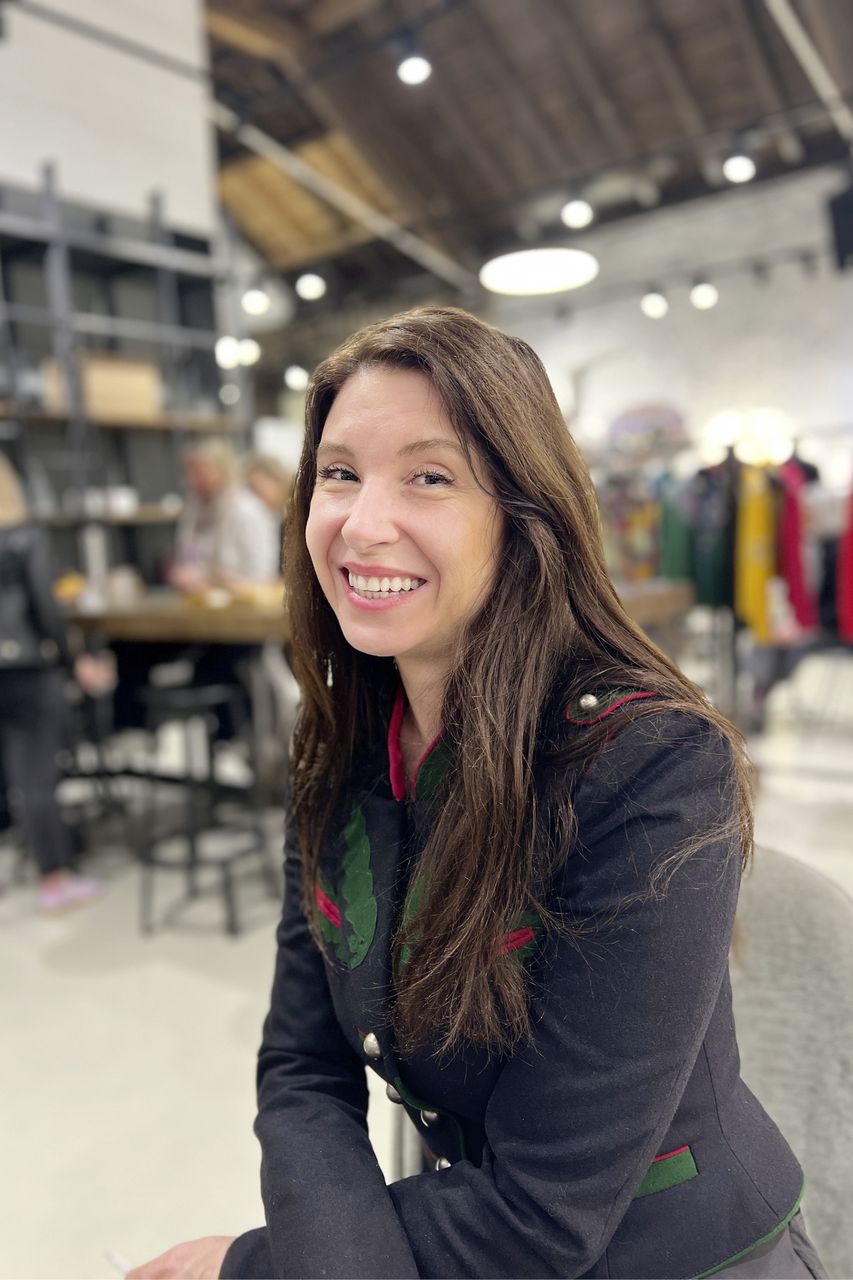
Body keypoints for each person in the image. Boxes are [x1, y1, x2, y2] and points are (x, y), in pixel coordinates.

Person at [129, 308, 823, 1279]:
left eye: (429, 476)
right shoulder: (341, 745)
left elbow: (544, 1209)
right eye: (338, 472)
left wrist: (253, 1267)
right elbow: (302, 1068)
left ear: (523, 515)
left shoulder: (647, 759)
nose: (362, 522)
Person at [0, 454, 112, 911]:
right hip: (25, 665)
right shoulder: (22, 536)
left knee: (15, 774)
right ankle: (55, 878)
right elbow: (45, 609)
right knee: (37, 776)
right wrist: (73, 661)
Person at [170, 439, 281, 591]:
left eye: (199, 472)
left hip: (242, 599)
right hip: (202, 597)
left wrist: (215, 579)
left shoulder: (246, 509)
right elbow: (187, 556)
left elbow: (263, 574)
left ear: (221, 470)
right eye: (188, 472)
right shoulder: (194, 509)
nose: (191, 480)